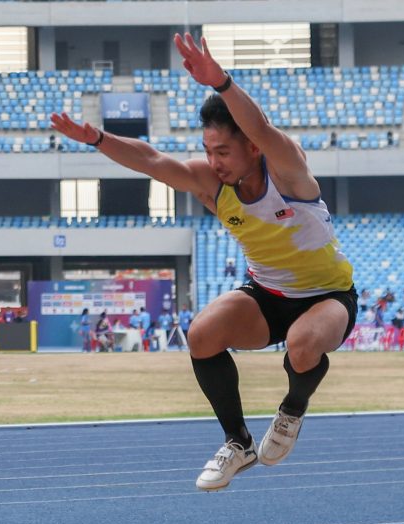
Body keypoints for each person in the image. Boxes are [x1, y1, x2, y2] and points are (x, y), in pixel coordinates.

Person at [51, 32, 357, 491]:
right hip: (266, 295)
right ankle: (238, 443)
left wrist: (223, 83)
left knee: (302, 343)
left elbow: (263, 131)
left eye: (223, 151)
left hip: (327, 297)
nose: (213, 162)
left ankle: (292, 410)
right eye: (208, 151)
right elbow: (152, 160)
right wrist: (96, 138)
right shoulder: (212, 184)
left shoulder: (287, 170)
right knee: (201, 335)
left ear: (251, 147)